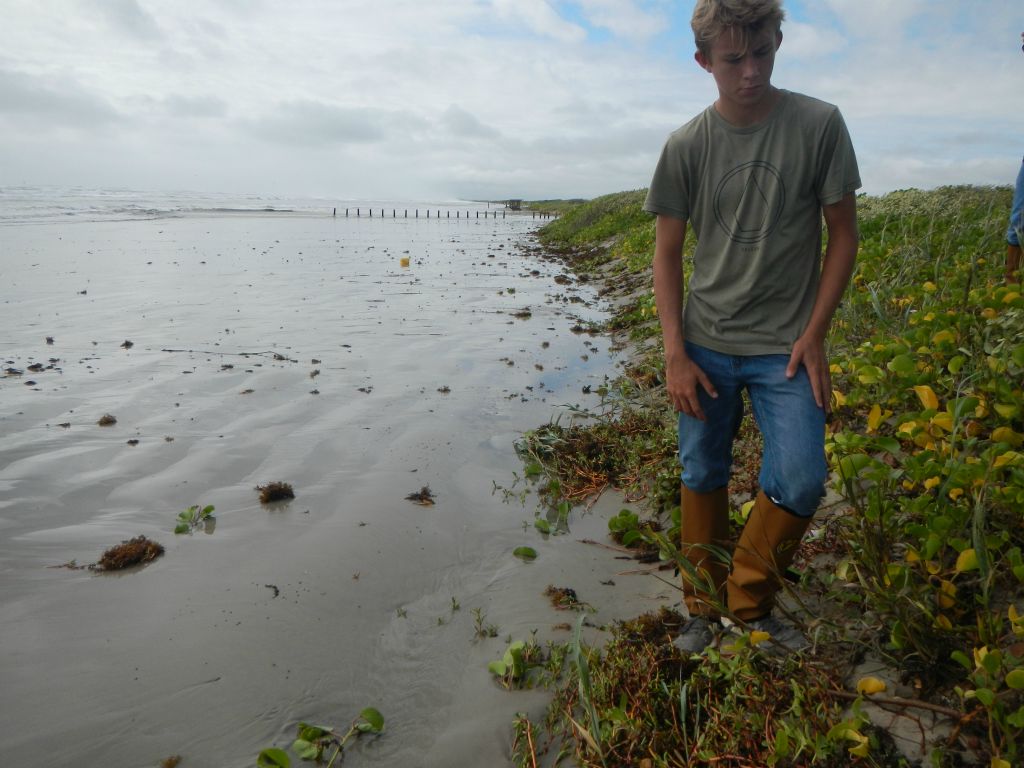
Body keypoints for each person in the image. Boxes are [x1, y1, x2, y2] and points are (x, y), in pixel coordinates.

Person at [644, 0, 861, 655]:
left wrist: (815, 333)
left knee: (800, 477)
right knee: (701, 469)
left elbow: (844, 236)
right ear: (704, 61)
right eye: (733, 59)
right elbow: (666, 253)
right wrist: (676, 352)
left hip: (786, 350)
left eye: (762, 52)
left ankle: (748, 602)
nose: (750, 72)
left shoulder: (820, 125)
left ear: (777, 42)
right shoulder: (687, 144)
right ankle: (702, 610)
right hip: (706, 342)